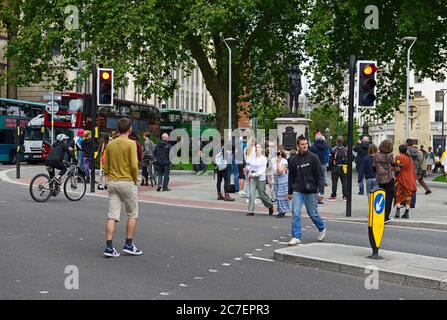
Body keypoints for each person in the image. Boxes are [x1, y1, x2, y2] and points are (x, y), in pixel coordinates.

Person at [103, 118, 141, 257]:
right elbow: (134, 165)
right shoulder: (131, 144)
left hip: (113, 182)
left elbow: (105, 164)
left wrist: (108, 175)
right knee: (132, 213)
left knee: (112, 216)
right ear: (130, 129)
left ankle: (109, 246)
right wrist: (135, 179)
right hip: (127, 182)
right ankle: (129, 244)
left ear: (118, 129)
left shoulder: (111, 145)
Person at [287, 135, 326, 246]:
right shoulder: (294, 160)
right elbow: (291, 177)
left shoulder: (313, 158)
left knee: (312, 213)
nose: (305, 146)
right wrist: (289, 192)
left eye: (306, 144)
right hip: (298, 190)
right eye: (302, 144)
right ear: (298, 146)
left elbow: (320, 175)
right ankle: (296, 236)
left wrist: (321, 191)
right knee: (295, 212)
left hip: (311, 190)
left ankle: (322, 227)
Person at [247, 144, 274, 216]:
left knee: (262, 195)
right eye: (256, 147)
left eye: (258, 147)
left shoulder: (263, 159)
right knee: (251, 194)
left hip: (260, 178)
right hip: (253, 178)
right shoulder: (252, 158)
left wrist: (253, 174)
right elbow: (250, 167)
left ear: (261, 149)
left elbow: (262, 170)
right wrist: (249, 172)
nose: (256, 148)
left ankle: (270, 205)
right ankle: (251, 211)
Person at [373, 139, 395, 223]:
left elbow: (374, 167)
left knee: (381, 197)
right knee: (389, 198)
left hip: (380, 178)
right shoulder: (389, 156)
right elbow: (394, 165)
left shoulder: (376, 155)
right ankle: (386, 217)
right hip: (389, 178)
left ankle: (380, 214)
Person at [394, 144, 417, 219]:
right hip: (409, 180)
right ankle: (406, 213)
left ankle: (397, 211)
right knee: (408, 196)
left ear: (399, 150)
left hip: (400, 179)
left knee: (398, 195)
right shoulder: (410, 158)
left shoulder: (398, 157)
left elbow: (396, 168)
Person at [309, 132, 330, 204]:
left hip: (315, 164)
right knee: (322, 181)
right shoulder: (326, 146)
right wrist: (327, 162)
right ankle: (320, 196)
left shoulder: (313, 147)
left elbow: (310, 156)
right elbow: (327, 154)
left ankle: (315, 196)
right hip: (323, 163)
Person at [327, 136, 347, 201]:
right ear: (342, 141)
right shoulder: (345, 149)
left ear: (336, 141)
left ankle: (333, 196)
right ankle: (345, 196)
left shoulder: (334, 149)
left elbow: (331, 160)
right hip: (344, 167)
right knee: (344, 182)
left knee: (334, 182)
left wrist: (330, 168)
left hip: (336, 167)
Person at [273, 146, 290, 218]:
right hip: (276, 177)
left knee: (281, 194)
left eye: (279, 152)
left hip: (282, 178)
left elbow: (280, 171)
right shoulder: (273, 160)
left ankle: (283, 211)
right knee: (277, 194)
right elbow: (272, 170)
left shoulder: (284, 161)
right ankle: (280, 209)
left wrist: (277, 162)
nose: (277, 153)